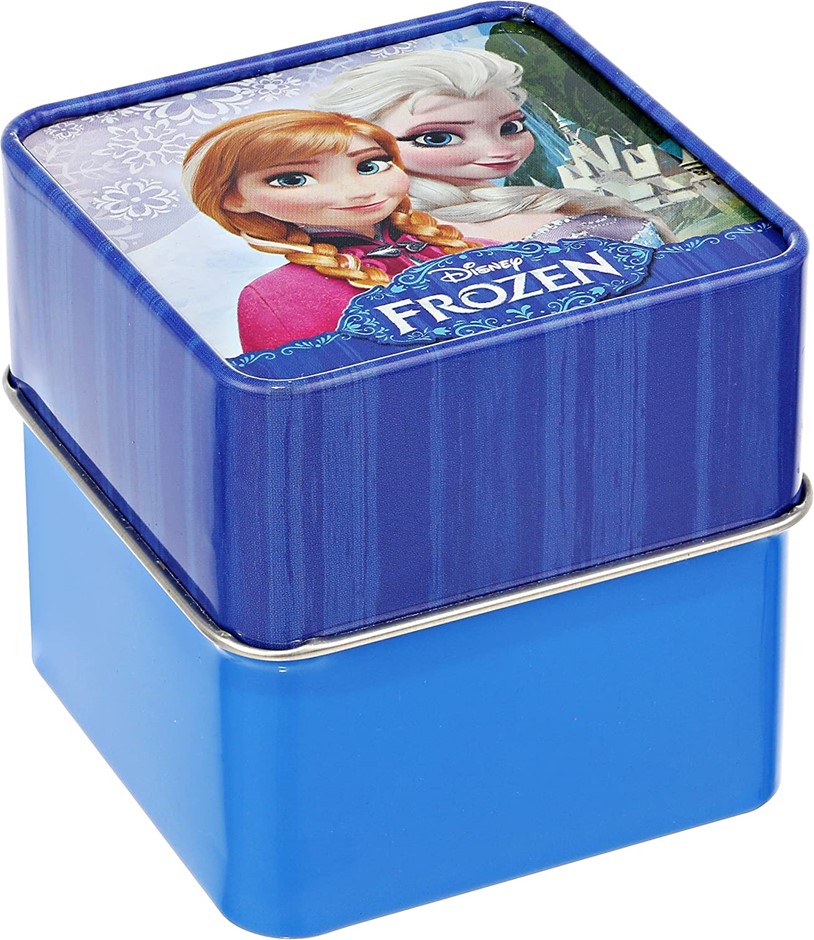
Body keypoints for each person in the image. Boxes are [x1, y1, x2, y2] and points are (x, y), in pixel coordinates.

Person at [182, 110, 480, 352]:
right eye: (293, 179)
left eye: (370, 166)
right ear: (234, 198)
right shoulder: (278, 297)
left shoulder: (473, 245)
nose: (359, 192)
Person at [313, 49, 673, 246]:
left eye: (510, 127)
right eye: (437, 138)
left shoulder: (524, 200)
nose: (499, 150)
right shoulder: (400, 235)